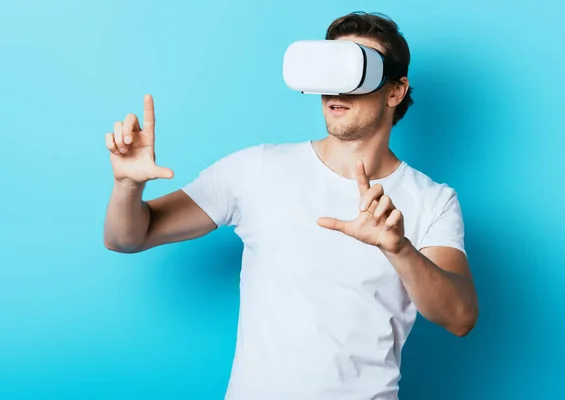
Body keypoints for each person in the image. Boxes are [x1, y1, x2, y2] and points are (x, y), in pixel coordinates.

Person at [103, 11, 478, 400]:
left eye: (354, 71)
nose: (336, 88)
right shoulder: (256, 169)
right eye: (329, 69)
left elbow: (460, 317)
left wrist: (399, 249)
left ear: (395, 91)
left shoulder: (432, 199)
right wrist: (127, 185)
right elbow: (128, 237)